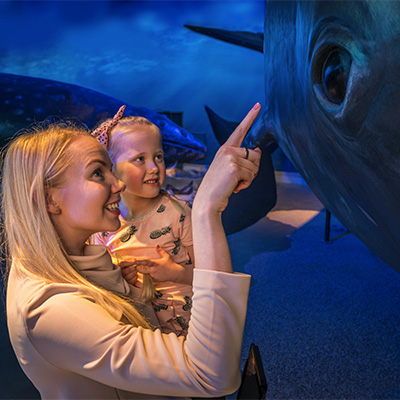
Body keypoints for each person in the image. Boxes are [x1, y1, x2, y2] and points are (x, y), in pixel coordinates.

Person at [2, 103, 262, 399]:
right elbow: (209, 375)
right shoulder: (49, 309)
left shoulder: (80, 255)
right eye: (98, 174)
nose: (119, 183)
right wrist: (206, 208)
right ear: (49, 199)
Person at [92, 109, 194, 336]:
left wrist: (175, 273)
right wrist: (117, 277)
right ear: (111, 168)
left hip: (186, 334)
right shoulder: (104, 225)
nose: (154, 167)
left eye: (158, 156)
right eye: (140, 159)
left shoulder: (179, 213)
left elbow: (213, 276)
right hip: (138, 333)